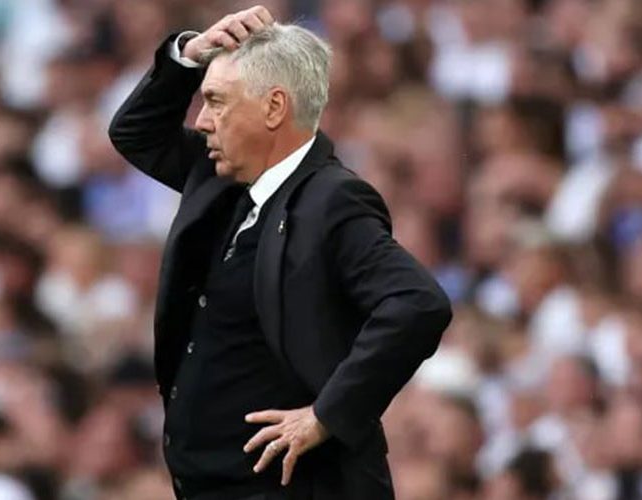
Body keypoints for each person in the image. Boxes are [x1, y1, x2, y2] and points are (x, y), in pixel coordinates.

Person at [108, 6, 452, 499]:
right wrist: (189, 55)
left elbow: (418, 303)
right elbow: (134, 133)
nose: (201, 121)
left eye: (216, 101)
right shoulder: (218, 176)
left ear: (274, 108)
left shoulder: (331, 200)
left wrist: (326, 415)